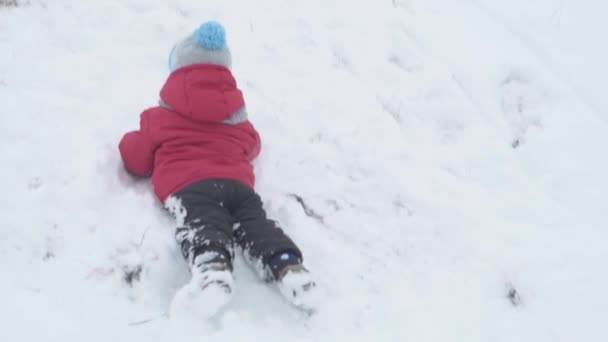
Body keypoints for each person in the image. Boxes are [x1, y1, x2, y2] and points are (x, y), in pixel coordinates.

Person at [118, 21, 316, 317]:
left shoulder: (159, 117)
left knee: (203, 223)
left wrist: (128, 142)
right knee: (255, 223)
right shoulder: (237, 118)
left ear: (177, 73)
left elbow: (137, 161)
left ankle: (212, 272)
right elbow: (253, 145)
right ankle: (287, 264)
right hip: (238, 185)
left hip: (189, 186)